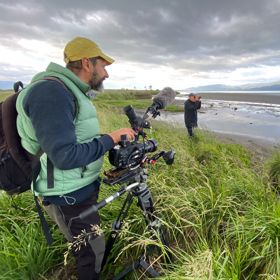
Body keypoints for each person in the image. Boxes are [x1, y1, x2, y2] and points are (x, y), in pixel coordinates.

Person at [16, 37, 136, 280]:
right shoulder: (51, 93)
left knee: (90, 246)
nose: (107, 74)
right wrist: (110, 139)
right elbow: (64, 155)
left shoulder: (69, 91)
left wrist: (107, 138)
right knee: (91, 254)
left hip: (76, 188)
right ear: (87, 63)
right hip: (66, 195)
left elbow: (71, 138)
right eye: (104, 66)